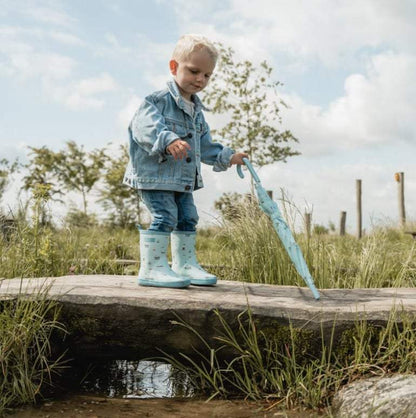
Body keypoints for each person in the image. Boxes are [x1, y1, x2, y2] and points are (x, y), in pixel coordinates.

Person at [123, 34, 248, 289]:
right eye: (194, 71)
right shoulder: (157, 102)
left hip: (182, 180)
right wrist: (167, 139)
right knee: (165, 215)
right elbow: (144, 127)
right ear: (173, 67)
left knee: (188, 216)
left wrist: (228, 156)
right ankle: (153, 267)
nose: (200, 79)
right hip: (155, 177)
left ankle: (184, 264)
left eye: (207, 75)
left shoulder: (197, 113)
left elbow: (204, 146)